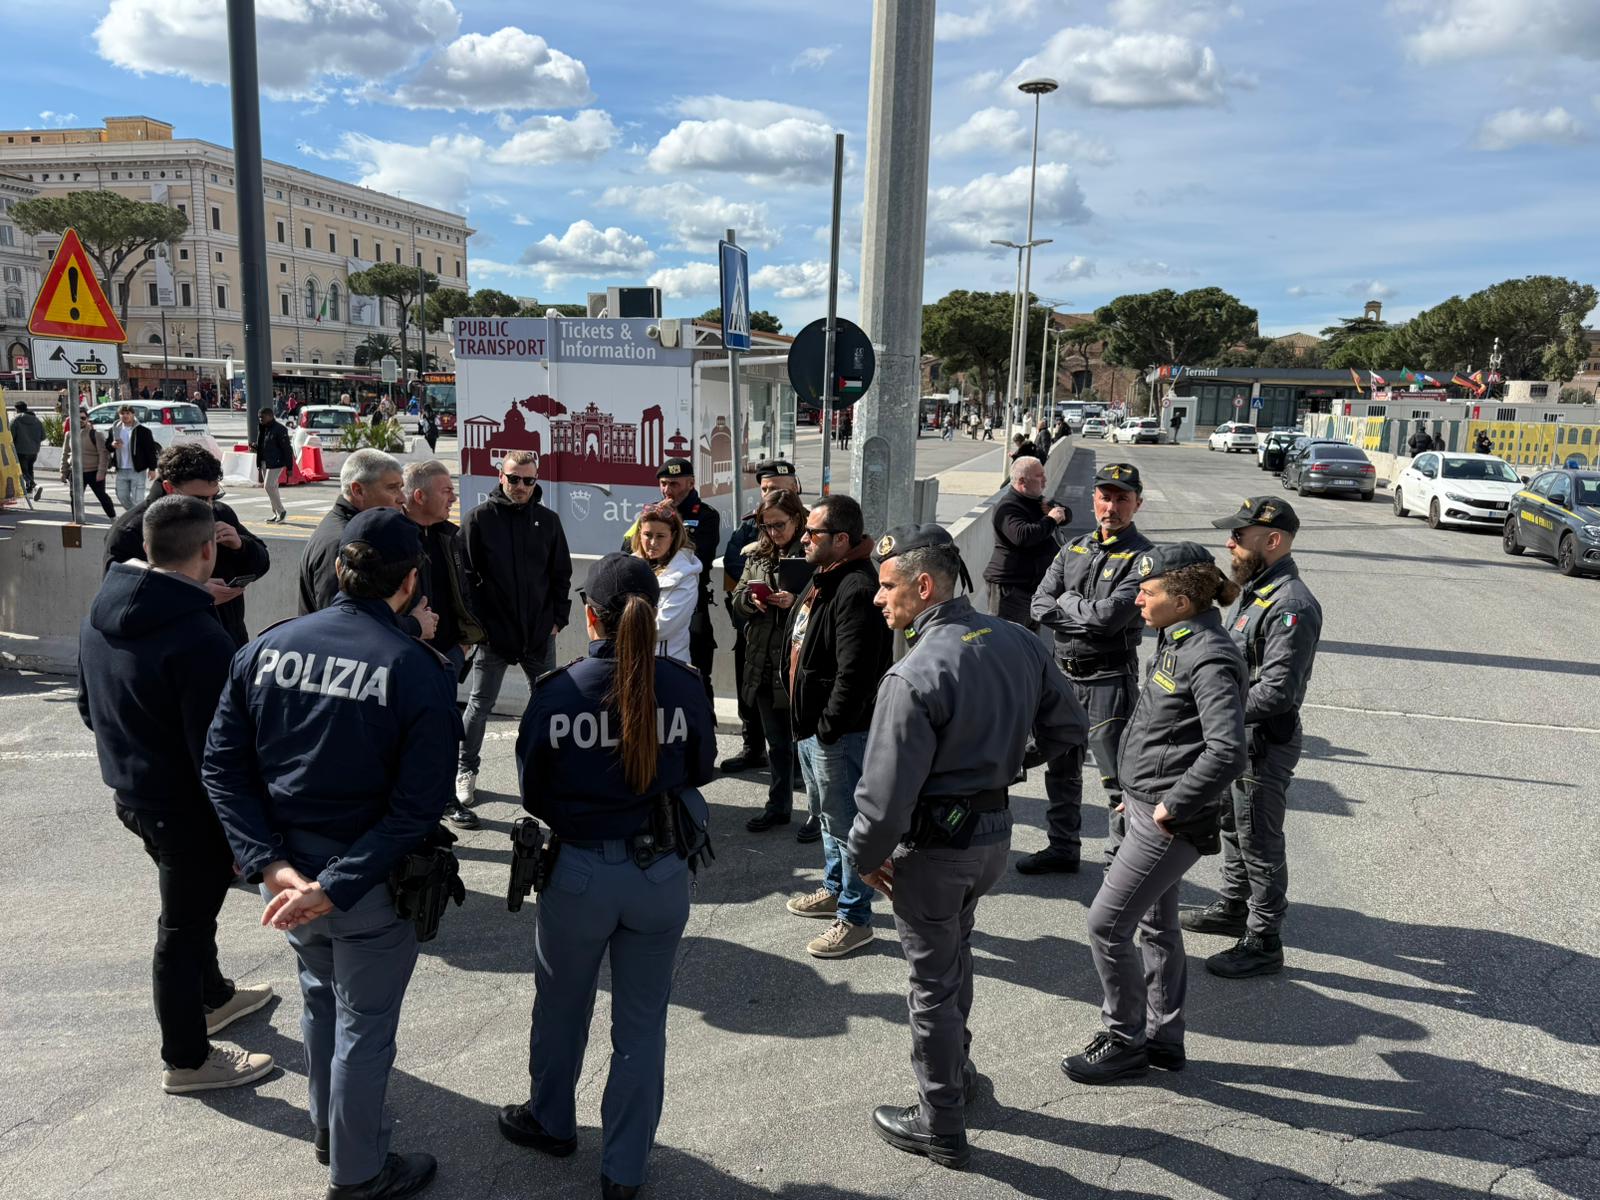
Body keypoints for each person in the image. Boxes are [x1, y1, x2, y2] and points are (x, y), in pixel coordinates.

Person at [204, 508, 462, 1200]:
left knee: (321, 996)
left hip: (286, 881)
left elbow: (222, 768)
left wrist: (271, 864)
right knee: (365, 1029)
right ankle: (359, 1173)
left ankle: (330, 1129)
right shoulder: (416, 668)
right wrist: (336, 883)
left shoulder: (268, 646)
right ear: (409, 583)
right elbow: (417, 807)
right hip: (365, 883)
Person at [849, 525, 1085, 1169]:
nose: (878, 599)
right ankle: (961, 1076)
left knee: (931, 983)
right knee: (956, 959)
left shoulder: (914, 673)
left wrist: (862, 857)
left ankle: (939, 1121)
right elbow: (1068, 726)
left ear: (924, 587)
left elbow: (885, 793)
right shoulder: (1015, 640)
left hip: (934, 850)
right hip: (991, 840)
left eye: (889, 586)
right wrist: (1008, 763)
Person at [499, 553, 715, 1200]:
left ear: (589, 616)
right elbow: (701, 767)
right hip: (660, 875)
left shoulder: (557, 692)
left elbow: (535, 790)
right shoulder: (683, 683)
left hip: (581, 875)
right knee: (642, 1028)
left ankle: (552, 1119)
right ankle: (623, 1170)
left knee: (562, 1008)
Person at [78, 495, 276, 1095]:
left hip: (132, 794)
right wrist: (243, 836)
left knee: (191, 912)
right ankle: (187, 1059)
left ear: (147, 547)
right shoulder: (198, 635)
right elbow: (217, 755)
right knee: (182, 929)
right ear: (209, 550)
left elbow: (89, 707)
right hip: (184, 811)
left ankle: (212, 997)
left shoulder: (100, 609)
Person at [1063, 542, 1247, 1085]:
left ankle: (1124, 1039)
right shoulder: (1176, 637)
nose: (1138, 600)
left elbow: (1227, 750)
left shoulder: (1210, 655)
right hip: (1144, 804)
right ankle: (1164, 1041)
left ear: (1184, 600)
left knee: (1105, 924)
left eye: (1149, 592)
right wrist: (1134, 790)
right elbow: (1162, 730)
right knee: (1156, 925)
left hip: (1167, 820)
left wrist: (1169, 804)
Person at [1182, 497, 1323, 979]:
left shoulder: (1291, 604)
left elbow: (1277, 691)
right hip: (1237, 737)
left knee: (1259, 838)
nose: (1231, 544)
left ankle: (1264, 939)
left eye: (1239, 538)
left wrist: (1208, 707)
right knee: (1232, 825)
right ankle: (1233, 907)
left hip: (1262, 742)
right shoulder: (1257, 590)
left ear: (1274, 541)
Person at [1020, 463, 1155, 875]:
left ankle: (1119, 862)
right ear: (1094, 499)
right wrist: (1080, 610)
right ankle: (1062, 847)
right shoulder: (1074, 547)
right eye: (1104, 497)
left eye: (1121, 499)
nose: (1110, 506)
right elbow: (1039, 604)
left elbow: (1111, 618)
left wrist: (1068, 603)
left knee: (1117, 778)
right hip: (1062, 675)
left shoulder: (1145, 558)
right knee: (1061, 766)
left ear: (1137, 504)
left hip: (1108, 678)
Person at [781, 493, 892, 958]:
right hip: (812, 730)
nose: (804, 538)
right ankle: (834, 890)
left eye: (813, 533)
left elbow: (856, 674)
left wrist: (826, 728)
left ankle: (855, 917)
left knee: (848, 826)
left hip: (838, 735)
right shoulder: (825, 576)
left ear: (841, 540)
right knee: (828, 819)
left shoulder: (856, 588)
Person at [456, 449, 573, 808]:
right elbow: (464, 580)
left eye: (529, 480)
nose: (521, 486)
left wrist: (557, 620)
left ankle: (550, 770)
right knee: (479, 704)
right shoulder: (478, 520)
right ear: (500, 477)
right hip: (493, 638)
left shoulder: (549, 521)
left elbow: (560, 575)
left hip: (539, 634)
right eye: (514, 478)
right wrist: (480, 628)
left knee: (549, 704)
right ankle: (465, 769)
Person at [104, 443, 271, 648]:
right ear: (169, 488)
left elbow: (262, 563)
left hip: (227, 641)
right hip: (167, 652)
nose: (209, 506)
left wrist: (241, 546)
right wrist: (193, 594)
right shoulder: (130, 531)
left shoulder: (221, 514)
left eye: (214, 497)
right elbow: (118, 602)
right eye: (200, 499)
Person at [719, 461, 802, 783]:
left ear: (794, 488)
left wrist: (794, 600)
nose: (769, 494)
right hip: (755, 632)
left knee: (790, 713)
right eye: (765, 489)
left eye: (777, 488)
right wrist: (753, 598)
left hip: (792, 642)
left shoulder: (812, 536)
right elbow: (733, 564)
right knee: (751, 694)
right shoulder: (753, 531)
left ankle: (795, 767)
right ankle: (753, 747)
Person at [732, 490, 808, 833]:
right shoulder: (758, 554)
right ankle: (778, 807)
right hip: (763, 660)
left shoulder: (812, 554)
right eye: (767, 526)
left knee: (810, 746)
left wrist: (795, 600)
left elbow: (828, 604)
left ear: (797, 519)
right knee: (776, 743)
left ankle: (820, 817)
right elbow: (735, 599)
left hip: (799, 664)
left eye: (780, 525)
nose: (773, 533)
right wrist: (751, 600)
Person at [624, 458, 721, 707]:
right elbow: (627, 549)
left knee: (699, 668)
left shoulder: (706, 515)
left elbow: (702, 555)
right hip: (649, 592)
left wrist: (674, 520)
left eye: (675, 484)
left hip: (690, 596)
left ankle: (704, 723)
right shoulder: (651, 513)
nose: (668, 491)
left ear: (690, 483)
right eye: (664, 484)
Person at [298, 449, 407, 615]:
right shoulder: (342, 542)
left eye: (401, 487)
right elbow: (338, 621)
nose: (402, 498)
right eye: (392, 488)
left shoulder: (356, 532)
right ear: (358, 491)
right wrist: (414, 625)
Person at [983, 456, 1068, 630]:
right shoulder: (1007, 507)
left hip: (1034, 589)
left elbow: (1065, 514)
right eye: (1039, 476)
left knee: (1029, 646)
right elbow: (1023, 536)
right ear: (1022, 481)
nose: (1045, 480)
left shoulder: (1037, 500)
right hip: (1011, 590)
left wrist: (1056, 510)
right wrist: (1051, 519)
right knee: (1008, 643)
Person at [630, 501, 701, 663]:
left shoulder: (685, 575)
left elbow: (662, 628)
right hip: (630, 661)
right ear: (639, 533)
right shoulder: (628, 566)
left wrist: (621, 624)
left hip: (668, 664)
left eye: (660, 536)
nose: (653, 543)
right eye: (648, 535)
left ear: (673, 536)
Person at [61, 404, 117, 519]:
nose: (80, 420)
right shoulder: (69, 434)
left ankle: (113, 518)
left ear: (87, 419)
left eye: (83, 418)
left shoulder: (96, 434)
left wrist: (101, 472)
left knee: (102, 496)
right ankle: (76, 521)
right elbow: (65, 453)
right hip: (75, 472)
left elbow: (103, 454)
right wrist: (63, 471)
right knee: (75, 498)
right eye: (77, 418)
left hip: (93, 471)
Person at [108, 405, 160, 512]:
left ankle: (138, 519)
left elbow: (150, 451)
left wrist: (152, 468)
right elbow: (107, 445)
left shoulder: (143, 431)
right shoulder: (115, 429)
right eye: (123, 413)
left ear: (133, 415)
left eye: (128, 413)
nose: (125, 416)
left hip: (137, 469)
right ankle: (139, 515)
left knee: (138, 499)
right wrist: (112, 445)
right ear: (119, 415)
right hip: (121, 469)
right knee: (122, 496)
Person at [253, 405, 296, 524]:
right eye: (259, 417)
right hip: (264, 461)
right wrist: (256, 447)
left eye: (262, 417)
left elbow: (287, 449)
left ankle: (281, 511)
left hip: (276, 462)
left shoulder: (280, 429)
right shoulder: (262, 427)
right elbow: (263, 443)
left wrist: (289, 467)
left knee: (268, 486)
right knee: (272, 487)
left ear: (270, 416)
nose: (260, 419)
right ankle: (276, 513)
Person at [10, 400, 45, 499]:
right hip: (34, 451)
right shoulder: (37, 420)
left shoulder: (16, 420)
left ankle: (34, 486)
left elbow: (10, 436)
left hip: (20, 450)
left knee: (22, 471)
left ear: (17, 409)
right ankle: (29, 491)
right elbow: (43, 436)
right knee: (30, 469)